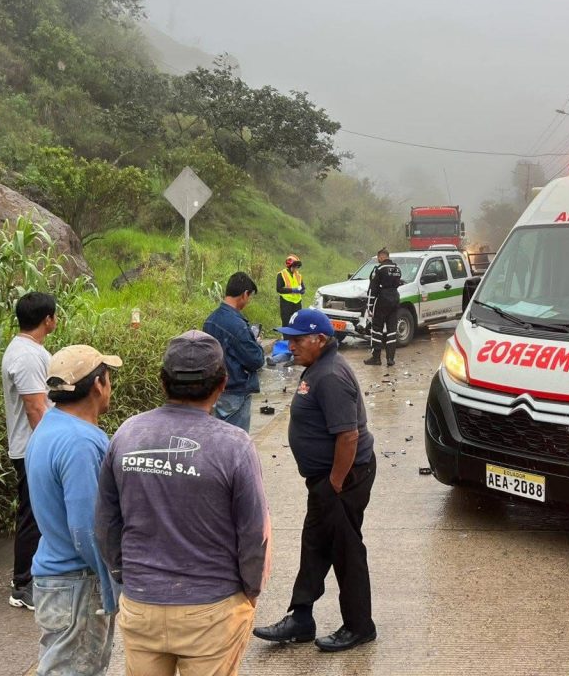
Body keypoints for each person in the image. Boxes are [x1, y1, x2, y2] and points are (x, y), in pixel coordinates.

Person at [96, 331, 271, 676]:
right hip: (212, 610)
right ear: (222, 384)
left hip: (141, 604)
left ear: (163, 382)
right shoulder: (235, 446)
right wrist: (251, 590)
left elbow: (105, 524)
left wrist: (125, 575)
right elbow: (254, 533)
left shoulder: (127, 435)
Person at [253, 309, 377, 653]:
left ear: (320, 340)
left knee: (345, 550)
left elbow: (348, 436)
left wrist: (336, 482)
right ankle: (302, 618)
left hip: (344, 478)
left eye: (296, 339)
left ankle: (359, 626)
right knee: (314, 545)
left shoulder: (332, 375)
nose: (289, 344)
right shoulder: (318, 368)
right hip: (326, 480)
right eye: (288, 338)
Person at [26, 344, 121, 675]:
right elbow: (86, 528)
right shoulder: (80, 442)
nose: (110, 386)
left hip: (55, 578)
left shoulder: (48, 428)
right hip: (77, 582)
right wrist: (114, 587)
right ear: (98, 384)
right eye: (108, 377)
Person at [1, 291, 56, 610]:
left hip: (32, 445)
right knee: (32, 515)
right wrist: (53, 447)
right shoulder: (26, 356)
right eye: (54, 315)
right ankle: (22, 584)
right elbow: (36, 409)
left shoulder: (28, 349)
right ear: (48, 320)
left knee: (40, 512)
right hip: (31, 448)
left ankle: (38, 574)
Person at [203, 272, 265, 433]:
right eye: (249, 296)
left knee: (216, 439)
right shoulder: (237, 325)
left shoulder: (210, 320)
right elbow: (256, 360)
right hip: (235, 392)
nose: (248, 301)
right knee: (235, 442)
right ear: (245, 294)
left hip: (215, 391)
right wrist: (256, 345)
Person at [364, 248, 402, 367]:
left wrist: (369, 307)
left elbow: (373, 289)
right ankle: (390, 359)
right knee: (391, 330)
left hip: (383, 300)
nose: (378, 260)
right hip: (395, 299)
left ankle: (376, 358)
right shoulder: (397, 269)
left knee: (377, 329)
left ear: (381, 257)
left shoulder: (379, 269)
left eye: (378, 258)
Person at [276, 254, 305, 326]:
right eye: (295, 266)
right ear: (290, 266)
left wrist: (302, 291)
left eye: (298, 266)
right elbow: (279, 289)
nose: (296, 268)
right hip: (286, 302)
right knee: (286, 322)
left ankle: (295, 337)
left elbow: (303, 288)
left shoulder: (298, 275)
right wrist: (293, 290)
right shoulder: (281, 274)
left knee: (297, 322)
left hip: (297, 303)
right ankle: (286, 337)